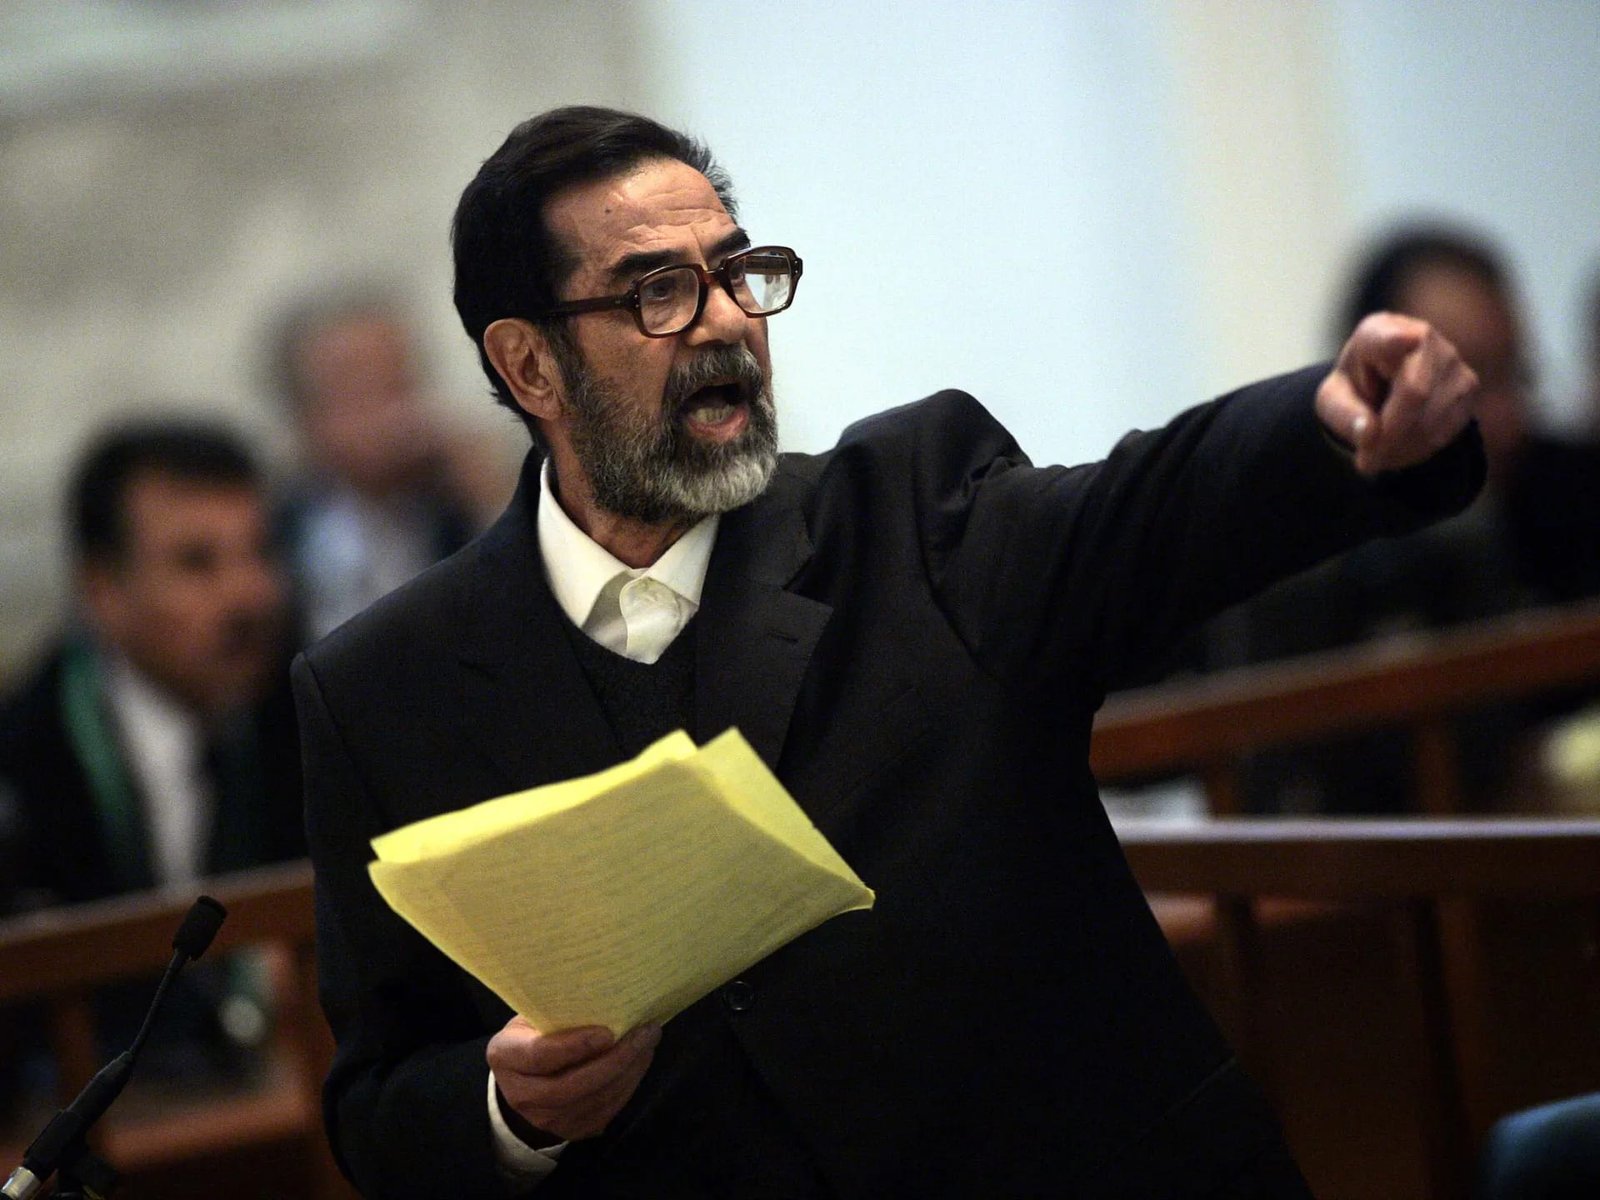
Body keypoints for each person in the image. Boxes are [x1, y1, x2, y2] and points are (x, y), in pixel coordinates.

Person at [295, 106, 1483, 1198]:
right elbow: (379, 1098)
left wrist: (1333, 426)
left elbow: (1152, 509)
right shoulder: (383, 691)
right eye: (657, 291)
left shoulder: (912, 512)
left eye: (738, 274)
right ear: (528, 365)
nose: (726, 320)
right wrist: (511, 1110)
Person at [1189, 227, 1600, 813]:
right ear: (1369, 383)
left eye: (1514, 374)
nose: (1505, 417)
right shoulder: (1300, 557)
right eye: (1459, 382)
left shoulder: (1569, 485)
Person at [0, 417, 307, 1084]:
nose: (248, 594)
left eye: (259, 552)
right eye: (197, 563)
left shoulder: (306, 708)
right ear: (102, 591)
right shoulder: (24, 758)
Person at [268, 288, 504, 643]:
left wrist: (492, 503)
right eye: (358, 389)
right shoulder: (271, 536)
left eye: (398, 383)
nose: (389, 413)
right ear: (303, 414)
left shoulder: (456, 510)